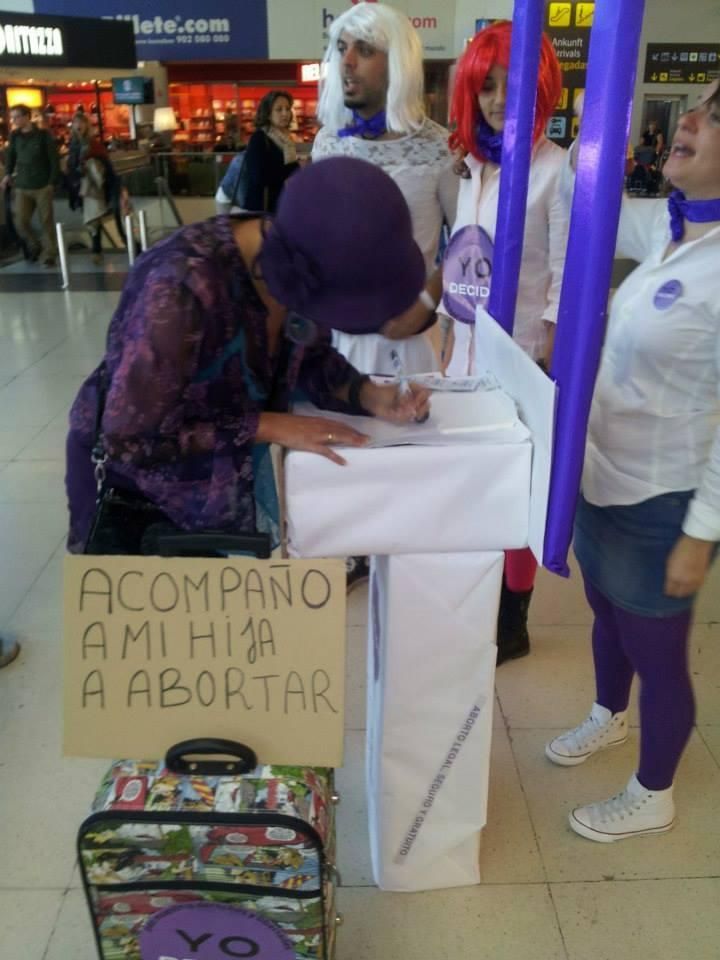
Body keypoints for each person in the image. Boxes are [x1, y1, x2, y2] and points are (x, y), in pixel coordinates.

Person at [65, 157, 430, 554]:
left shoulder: (300, 255)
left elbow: (309, 357)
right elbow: (129, 438)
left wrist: (366, 394)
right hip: (148, 510)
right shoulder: (179, 290)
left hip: (230, 504)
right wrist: (265, 425)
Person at [545, 81, 720, 842]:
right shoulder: (673, 227)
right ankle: (607, 716)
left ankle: (654, 793)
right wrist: (589, 156)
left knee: (659, 650)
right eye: (698, 107)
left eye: (714, 117)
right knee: (606, 611)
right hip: (601, 472)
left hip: (663, 497)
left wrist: (700, 533)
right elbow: (590, 213)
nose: (688, 120)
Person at [444, 21, 567, 664]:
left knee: (519, 493)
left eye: (512, 86)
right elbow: (461, 262)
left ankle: (513, 620)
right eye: (486, 86)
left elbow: (569, 274)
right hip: (466, 358)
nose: (498, 99)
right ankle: (479, 599)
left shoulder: (554, 169)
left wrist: (546, 359)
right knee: (478, 487)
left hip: (522, 361)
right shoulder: (471, 168)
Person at [313, 1, 458, 378]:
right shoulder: (327, 143)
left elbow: (466, 241)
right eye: (341, 48)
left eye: (364, 50)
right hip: (336, 341)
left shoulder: (440, 149)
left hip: (408, 343)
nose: (347, 62)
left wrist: (426, 303)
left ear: (398, 63)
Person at [0, 104, 59, 266]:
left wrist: (51, 182)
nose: (14, 120)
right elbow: (10, 157)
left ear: (27, 116)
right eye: (12, 117)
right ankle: (34, 245)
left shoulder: (42, 135)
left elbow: (54, 160)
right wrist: (7, 175)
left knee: (46, 221)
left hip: (42, 185)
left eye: (17, 117)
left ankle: (50, 253)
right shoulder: (15, 136)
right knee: (20, 221)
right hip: (22, 186)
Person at [66, 112, 115, 264]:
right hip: (80, 184)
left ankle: (96, 249)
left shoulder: (93, 144)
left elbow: (104, 163)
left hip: (92, 185)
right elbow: (71, 165)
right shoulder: (73, 144)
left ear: (87, 125)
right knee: (90, 216)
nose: (78, 125)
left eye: (81, 122)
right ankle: (96, 248)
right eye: (75, 122)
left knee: (93, 215)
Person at [241, 91, 300, 214]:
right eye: (279, 109)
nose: (285, 113)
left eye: (287, 109)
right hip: (261, 208)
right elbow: (259, 177)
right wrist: (291, 169)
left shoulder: (286, 139)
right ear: (268, 114)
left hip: (282, 206)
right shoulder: (259, 138)